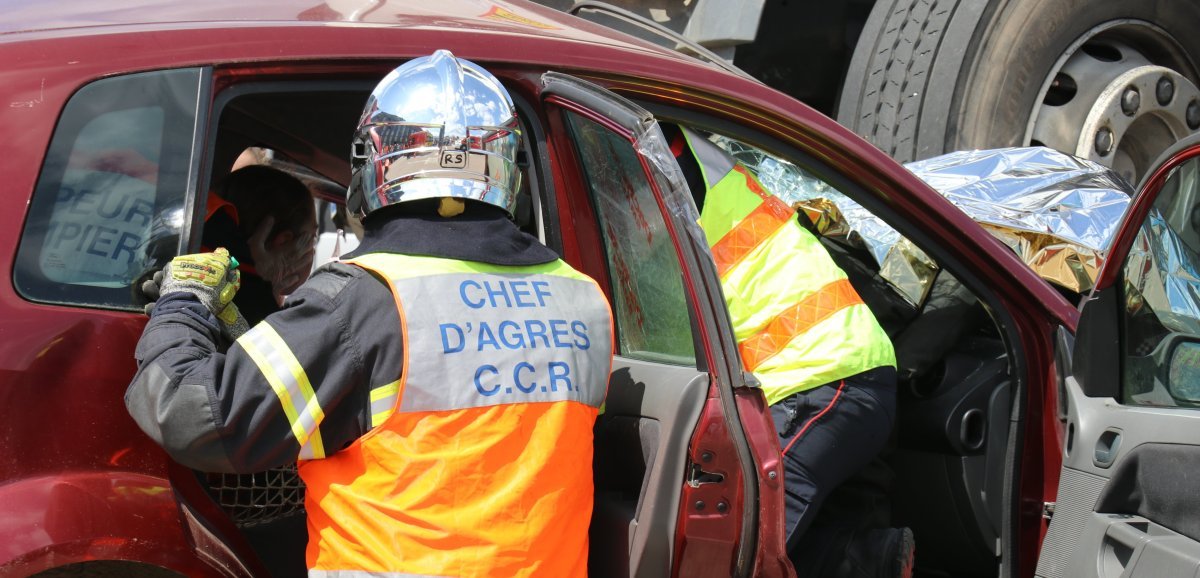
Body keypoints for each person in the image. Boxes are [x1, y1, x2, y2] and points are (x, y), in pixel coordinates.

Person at [125, 50, 614, 578]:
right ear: (507, 167)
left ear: (371, 164)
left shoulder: (362, 301)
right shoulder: (583, 298)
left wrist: (182, 302)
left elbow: (197, 416)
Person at [667, 125, 913, 578]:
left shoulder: (658, 159)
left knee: (740, 546)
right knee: (767, 540)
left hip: (820, 377)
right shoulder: (676, 151)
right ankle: (863, 562)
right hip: (825, 374)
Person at [202, 164, 318, 323]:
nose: (313, 250)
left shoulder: (195, 266)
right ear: (283, 242)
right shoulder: (257, 317)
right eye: (313, 237)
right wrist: (263, 297)